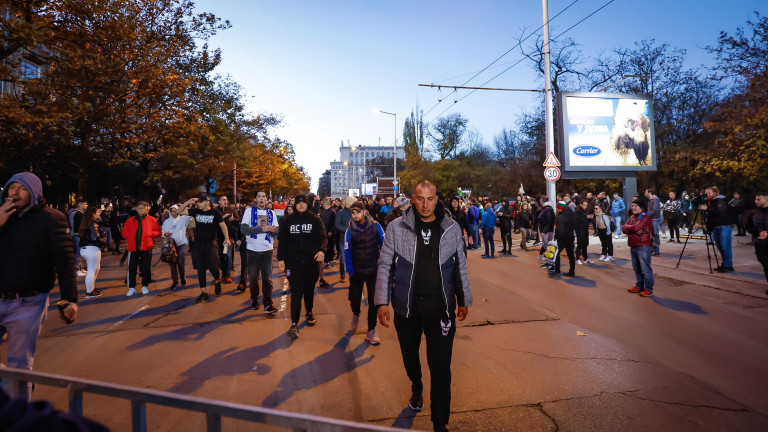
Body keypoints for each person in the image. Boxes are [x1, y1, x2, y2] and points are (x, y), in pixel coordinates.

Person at [375, 180, 472, 432]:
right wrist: (382, 301)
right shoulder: (396, 228)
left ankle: (440, 423)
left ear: (436, 199)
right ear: (413, 199)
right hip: (406, 309)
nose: (425, 204)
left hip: (440, 308)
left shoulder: (450, 228)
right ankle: (416, 385)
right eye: (420, 199)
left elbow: (460, 266)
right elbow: (385, 265)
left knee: (440, 367)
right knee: (410, 356)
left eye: (430, 199)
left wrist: (463, 300)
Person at [0, 172, 79, 400]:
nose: (14, 192)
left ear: (34, 192)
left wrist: (69, 299)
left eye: (21, 188)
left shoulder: (52, 219)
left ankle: (20, 416)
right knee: (15, 376)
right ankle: (15, 384)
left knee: (19, 365)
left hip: (27, 303)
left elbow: (64, 262)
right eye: (11, 187)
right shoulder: (3, 216)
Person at [277, 195, 327, 339]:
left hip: (311, 261)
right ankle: (294, 323)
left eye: (303, 203)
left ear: (307, 204)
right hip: (293, 262)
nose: (300, 205)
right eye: (298, 203)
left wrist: (321, 251)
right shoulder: (287, 220)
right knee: (296, 293)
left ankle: (309, 311)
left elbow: (323, 237)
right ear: (294, 205)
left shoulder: (315, 219)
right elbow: (283, 240)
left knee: (309, 289)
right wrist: (280, 258)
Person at [344, 200, 385, 345]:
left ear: (364, 212)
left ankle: (371, 331)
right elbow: (347, 252)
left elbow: (384, 245)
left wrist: (384, 266)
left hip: (374, 269)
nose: (355, 216)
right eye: (353, 213)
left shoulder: (375, 226)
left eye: (357, 212)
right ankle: (355, 314)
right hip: (356, 271)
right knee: (354, 300)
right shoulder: (350, 230)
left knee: (374, 301)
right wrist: (350, 271)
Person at [179, 194, 231, 302]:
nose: (198, 204)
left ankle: (217, 280)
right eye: (197, 202)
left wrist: (227, 237)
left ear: (207, 202)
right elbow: (179, 211)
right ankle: (203, 292)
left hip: (211, 244)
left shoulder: (214, 212)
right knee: (200, 269)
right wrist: (189, 202)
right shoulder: (195, 211)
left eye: (200, 202)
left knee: (214, 267)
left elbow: (222, 225)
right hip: (198, 244)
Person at [239, 191, 279, 313]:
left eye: (264, 196)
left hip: (267, 249)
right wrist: (262, 229)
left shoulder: (271, 213)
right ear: (255, 198)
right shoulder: (249, 211)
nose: (262, 199)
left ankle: (267, 304)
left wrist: (272, 230)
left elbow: (277, 232)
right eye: (259, 196)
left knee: (267, 278)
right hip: (253, 250)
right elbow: (244, 229)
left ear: (266, 199)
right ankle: (254, 299)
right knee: (253, 278)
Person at [121, 201, 162, 296]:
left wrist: (150, 234)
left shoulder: (152, 220)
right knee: (132, 268)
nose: (141, 209)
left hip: (146, 247)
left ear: (148, 208)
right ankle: (131, 287)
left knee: (146, 268)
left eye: (143, 207)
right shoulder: (130, 220)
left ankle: (145, 286)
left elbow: (158, 232)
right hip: (133, 248)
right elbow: (124, 233)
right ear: (136, 209)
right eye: (139, 208)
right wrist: (130, 235)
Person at [624, 198, 655, 297]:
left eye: (635, 206)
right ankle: (639, 286)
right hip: (634, 245)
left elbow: (637, 227)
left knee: (645, 269)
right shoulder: (632, 217)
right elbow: (624, 228)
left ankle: (648, 289)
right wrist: (632, 228)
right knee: (636, 268)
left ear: (641, 207)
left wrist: (631, 228)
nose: (633, 207)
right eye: (632, 206)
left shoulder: (646, 216)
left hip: (644, 246)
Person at [699, 186, 734, 273]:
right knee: (720, 247)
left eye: (709, 193)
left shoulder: (720, 200)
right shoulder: (710, 201)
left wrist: (707, 209)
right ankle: (725, 264)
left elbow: (719, 212)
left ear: (715, 193)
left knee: (725, 247)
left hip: (723, 226)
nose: (707, 195)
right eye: (706, 193)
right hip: (715, 227)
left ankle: (728, 266)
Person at [162, 204, 192, 289]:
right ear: (170, 212)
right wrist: (165, 233)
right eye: (172, 211)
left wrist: (185, 206)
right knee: (172, 264)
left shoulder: (183, 219)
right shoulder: (167, 221)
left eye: (175, 211)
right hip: (170, 245)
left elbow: (190, 214)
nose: (173, 213)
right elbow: (163, 231)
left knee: (180, 262)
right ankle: (175, 281)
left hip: (180, 244)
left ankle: (182, 276)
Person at [79, 207, 106, 298]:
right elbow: (95, 238)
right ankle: (89, 292)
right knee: (92, 270)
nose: (99, 214)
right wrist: (103, 242)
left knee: (95, 269)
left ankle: (92, 289)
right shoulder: (93, 224)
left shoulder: (86, 224)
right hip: (92, 249)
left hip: (87, 248)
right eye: (97, 213)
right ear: (92, 214)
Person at [745, 193, 768, 293]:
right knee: (766, 265)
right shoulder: (753, 213)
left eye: (758, 199)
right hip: (759, 244)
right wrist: (758, 232)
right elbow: (748, 227)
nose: (755, 201)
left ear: (766, 200)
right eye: (756, 199)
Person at [334, 196, 356, 283]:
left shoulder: (356, 212)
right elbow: (337, 225)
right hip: (343, 239)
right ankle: (342, 274)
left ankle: (353, 275)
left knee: (355, 258)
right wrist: (347, 229)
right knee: (343, 259)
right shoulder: (341, 213)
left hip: (355, 239)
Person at [554, 201, 576, 277]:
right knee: (571, 255)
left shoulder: (561, 217)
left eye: (557, 207)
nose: (556, 209)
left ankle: (557, 271)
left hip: (562, 238)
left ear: (560, 208)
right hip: (570, 237)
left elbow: (560, 229)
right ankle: (572, 271)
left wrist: (556, 237)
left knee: (556, 253)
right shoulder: (571, 215)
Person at [68, 199, 88, 277]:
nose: (86, 205)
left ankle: (80, 268)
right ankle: (77, 269)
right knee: (78, 253)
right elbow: (76, 225)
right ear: (80, 204)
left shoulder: (77, 212)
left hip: (76, 234)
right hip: (77, 235)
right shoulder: (76, 213)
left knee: (80, 253)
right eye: (85, 204)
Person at [574, 198, 592, 264]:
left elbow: (586, 219)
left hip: (585, 229)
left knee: (585, 243)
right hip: (579, 230)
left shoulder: (585, 210)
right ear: (581, 205)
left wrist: (590, 218)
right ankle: (577, 258)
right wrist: (586, 217)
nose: (585, 206)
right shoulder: (577, 211)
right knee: (580, 244)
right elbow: (576, 221)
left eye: (586, 205)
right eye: (584, 205)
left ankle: (586, 258)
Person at [644, 189, 662, 256]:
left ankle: (656, 250)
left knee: (655, 234)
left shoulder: (655, 199)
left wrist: (646, 214)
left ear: (649, 193)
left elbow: (655, 210)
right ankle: (652, 250)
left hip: (654, 219)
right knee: (651, 235)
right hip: (651, 219)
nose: (645, 194)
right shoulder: (650, 200)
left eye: (646, 192)